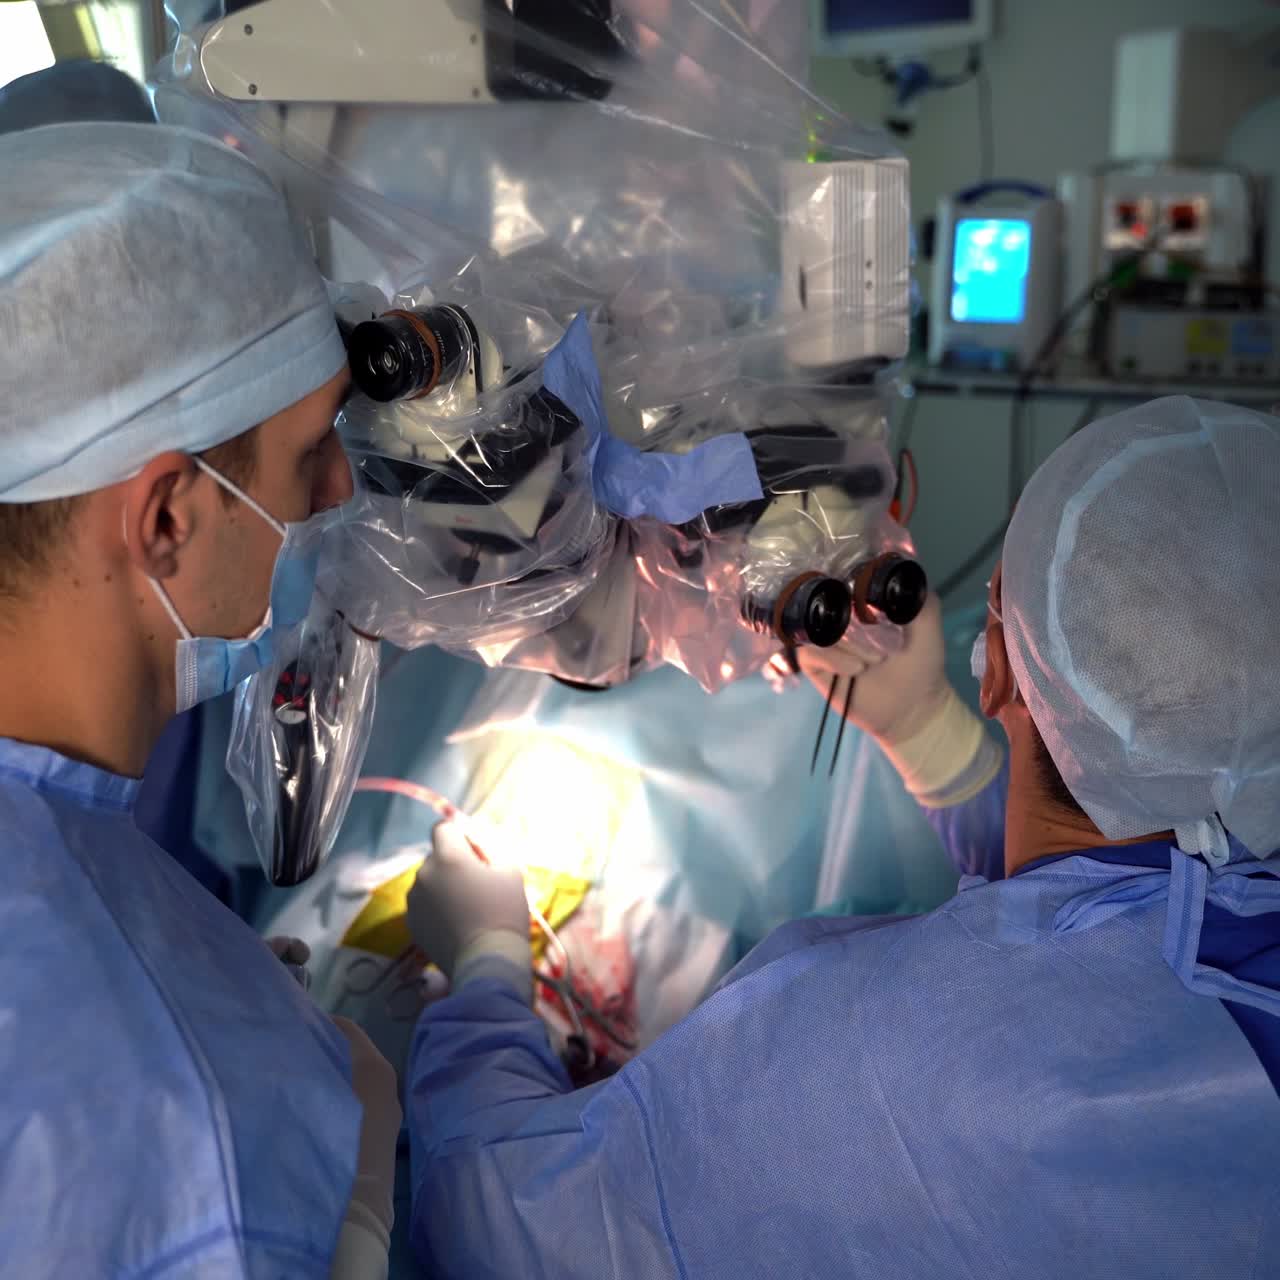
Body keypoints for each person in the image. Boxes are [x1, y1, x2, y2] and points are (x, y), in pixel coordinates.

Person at [403, 394, 1280, 1278]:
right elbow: (1125, 916)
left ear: (1001, 662)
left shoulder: (867, 1078)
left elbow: (496, 1224)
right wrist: (930, 739)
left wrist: (482, 975)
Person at [0, 122, 401, 1278]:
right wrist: (356, 1209)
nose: (340, 491)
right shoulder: (190, 1138)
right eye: (313, 449)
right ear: (165, 514)